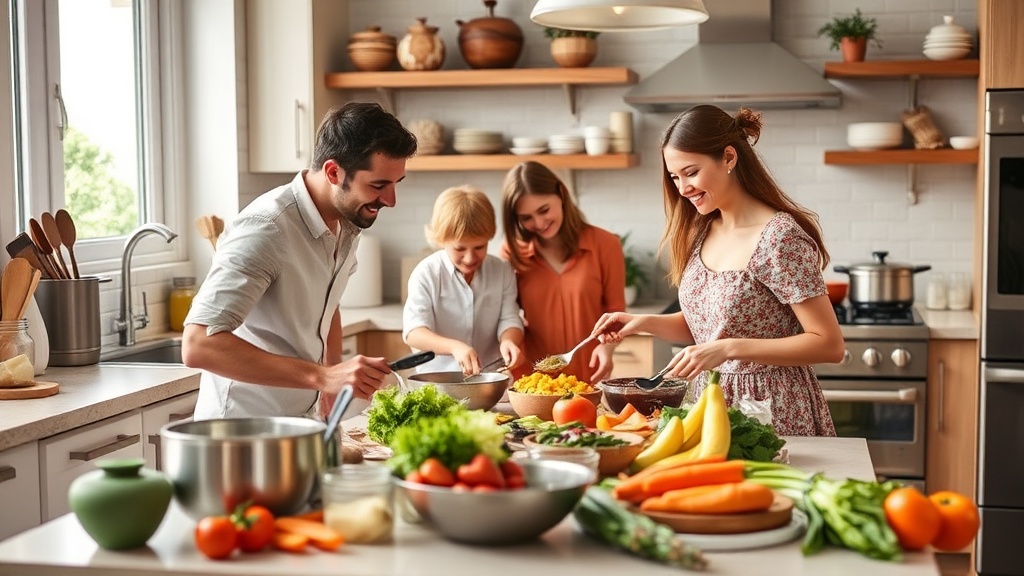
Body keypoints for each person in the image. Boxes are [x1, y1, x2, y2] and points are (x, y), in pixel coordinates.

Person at [591, 105, 844, 436]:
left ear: (728, 158)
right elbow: (712, 326)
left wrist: (728, 348)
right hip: (713, 403)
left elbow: (829, 344)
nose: (682, 188)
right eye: (674, 177)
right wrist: (642, 324)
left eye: (691, 172)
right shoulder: (704, 229)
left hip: (773, 409)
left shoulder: (779, 237)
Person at [183, 102, 418, 421]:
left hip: (297, 425)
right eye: (378, 185)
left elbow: (329, 304)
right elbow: (198, 345)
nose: (391, 200)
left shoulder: (347, 221)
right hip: (242, 432)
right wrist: (322, 377)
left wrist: (333, 373)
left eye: (395, 184)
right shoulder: (267, 228)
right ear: (334, 172)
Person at [500, 161, 626, 384]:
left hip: (589, 379)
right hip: (534, 382)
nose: (538, 223)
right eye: (526, 218)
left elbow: (616, 312)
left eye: (544, 210)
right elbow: (506, 314)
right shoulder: (511, 253)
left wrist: (608, 348)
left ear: (561, 194)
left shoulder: (606, 245)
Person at [403, 185, 525, 376]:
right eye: (460, 249)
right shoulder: (426, 273)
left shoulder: (501, 270)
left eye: (479, 247)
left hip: (491, 379)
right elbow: (414, 333)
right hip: (439, 381)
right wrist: (454, 347)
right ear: (441, 239)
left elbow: (509, 318)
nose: (470, 258)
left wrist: (509, 341)